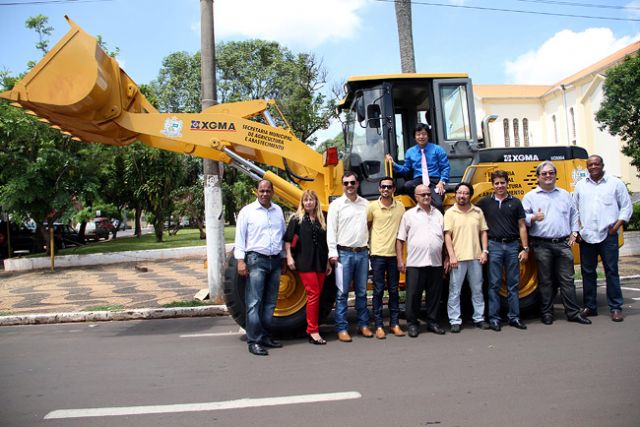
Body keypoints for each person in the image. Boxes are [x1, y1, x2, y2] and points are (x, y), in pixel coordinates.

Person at [522, 161, 591, 326]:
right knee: (546, 281)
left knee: (567, 280)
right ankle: (546, 313)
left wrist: (575, 232)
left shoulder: (565, 194)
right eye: (544, 173)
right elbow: (522, 218)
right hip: (541, 244)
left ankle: (573, 313)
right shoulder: (530, 197)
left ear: (555, 175)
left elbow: (574, 214)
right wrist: (533, 217)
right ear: (538, 177)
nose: (548, 176)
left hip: (563, 243)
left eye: (551, 173)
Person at [574, 155, 633, 322]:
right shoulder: (581, 186)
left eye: (596, 164)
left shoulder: (615, 183)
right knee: (587, 272)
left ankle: (615, 307)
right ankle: (590, 307)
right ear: (587, 167)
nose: (593, 167)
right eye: (590, 164)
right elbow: (574, 209)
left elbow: (626, 207)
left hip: (608, 235)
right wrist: (577, 231)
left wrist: (616, 226)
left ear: (602, 165)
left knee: (611, 271)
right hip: (587, 236)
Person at [234, 179, 287, 356]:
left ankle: (264, 336)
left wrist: (284, 259)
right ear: (256, 192)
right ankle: (254, 341)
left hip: (275, 260)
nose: (265, 194)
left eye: (268, 191)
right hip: (256, 260)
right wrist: (241, 261)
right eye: (261, 191)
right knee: (254, 302)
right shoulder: (247, 212)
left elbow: (282, 236)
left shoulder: (278, 210)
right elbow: (240, 239)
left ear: (272, 192)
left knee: (271, 303)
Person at [477, 170, 529, 331]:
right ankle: (494, 318)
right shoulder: (485, 202)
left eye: (502, 182)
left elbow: (522, 226)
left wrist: (525, 248)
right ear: (492, 185)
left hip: (513, 246)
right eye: (497, 183)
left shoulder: (516, 202)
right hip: (494, 246)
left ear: (507, 183)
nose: (500, 186)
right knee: (494, 284)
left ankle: (514, 317)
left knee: (513, 284)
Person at [396, 184, 447, 338]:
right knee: (413, 296)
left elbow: (445, 239)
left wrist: (446, 258)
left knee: (434, 295)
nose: (426, 197)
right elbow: (400, 240)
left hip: (435, 263)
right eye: (422, 194)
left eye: (428, 194)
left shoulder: (438, 214)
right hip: (415, 264)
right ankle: (412, 324)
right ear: (416, 197)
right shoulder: (409, 215)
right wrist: (400, 259)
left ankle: (432, 322)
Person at [327, 171, 371, 342]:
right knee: (342, 293)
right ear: (342, 184)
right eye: (346, 183)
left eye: (352, 182)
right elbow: (331, 231)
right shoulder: (336, 205)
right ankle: (342, 328)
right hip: (344, 254)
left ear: (358, 184)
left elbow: (370, 227)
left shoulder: (366, 204)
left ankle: (363, 325)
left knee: (361, 292)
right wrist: (333, 253)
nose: (350, 186)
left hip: (362, 253)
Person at [284, 190, 332, 344]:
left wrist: (327, 263)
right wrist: (289, 257)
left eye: (311, 200)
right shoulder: (296, 219)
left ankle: (312, 328)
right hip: (305, 262)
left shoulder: (321, 220)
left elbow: (325, 244)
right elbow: (288, 240)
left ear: (316, 202)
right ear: (302, 203)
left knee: (317, 294)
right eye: (306, 200)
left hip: (320, 262)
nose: (309, 202)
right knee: (313, 294)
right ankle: (312, 330)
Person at [444, 182, 490, 333]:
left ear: (470, 195)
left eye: (465, 193)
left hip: (476, 258)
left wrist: (484, 251)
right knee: (454, 291)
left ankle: (479, 318)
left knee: (477, 290)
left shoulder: (477, 212)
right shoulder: (450, 213)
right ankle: (455, 320)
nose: (462, 196)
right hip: (458, 259)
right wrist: (451, 256)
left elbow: (483, 232)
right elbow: (447, 236)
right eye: (459, 193)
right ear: (455, 194)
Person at [367, 177, 406, 339]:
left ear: (394, 189)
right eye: (383, 186)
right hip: (377, 255)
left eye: (389, 187)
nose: (386, 189)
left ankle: (395, 324)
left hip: (393, 256)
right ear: (379, 189)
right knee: (377, 291)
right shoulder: (372, 207)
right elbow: (367, 226)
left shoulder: (401, 207)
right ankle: (378, 325)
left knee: (393, 291)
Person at [385, 123, 450, 210]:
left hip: (435, 181)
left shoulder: (438, 149)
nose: (421, 137)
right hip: (418, 180)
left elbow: (445, 167)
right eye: (418, 134)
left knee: (438, 204)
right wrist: (393, 164)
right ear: (414, 137)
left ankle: (433, 215)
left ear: (428, 135)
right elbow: (405, 169)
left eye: (424, 134)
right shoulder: (410, 152)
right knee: (407, 185)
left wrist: (442, 182)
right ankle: (424, 206)